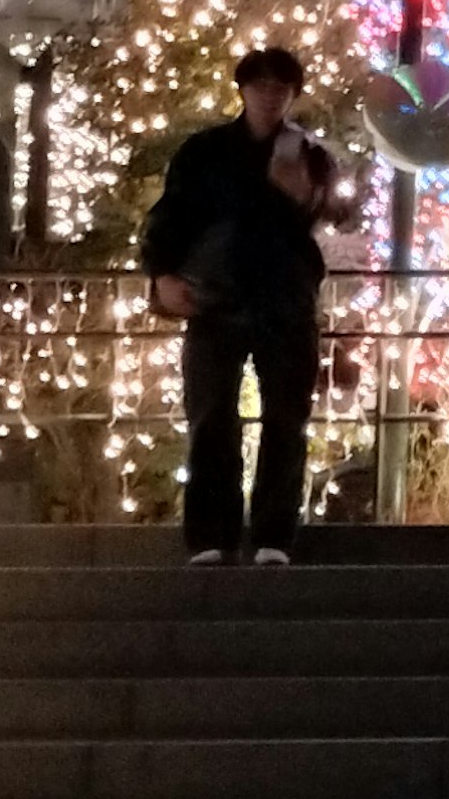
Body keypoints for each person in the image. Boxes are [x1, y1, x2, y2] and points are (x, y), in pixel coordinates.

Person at [142, 41, 347, 566]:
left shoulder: (309, 154)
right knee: (211, 414)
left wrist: (303, 193)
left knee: (286, 417)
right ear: (243, 90)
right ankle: (212, 535)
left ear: (293, 95)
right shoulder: (204, 151)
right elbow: (170, 216)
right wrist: (162, 274)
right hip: (217, 297)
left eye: (281, 88)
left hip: (284, 298)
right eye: (260, 85)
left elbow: (337, 215)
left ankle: (275, 536)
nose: (270, 96)